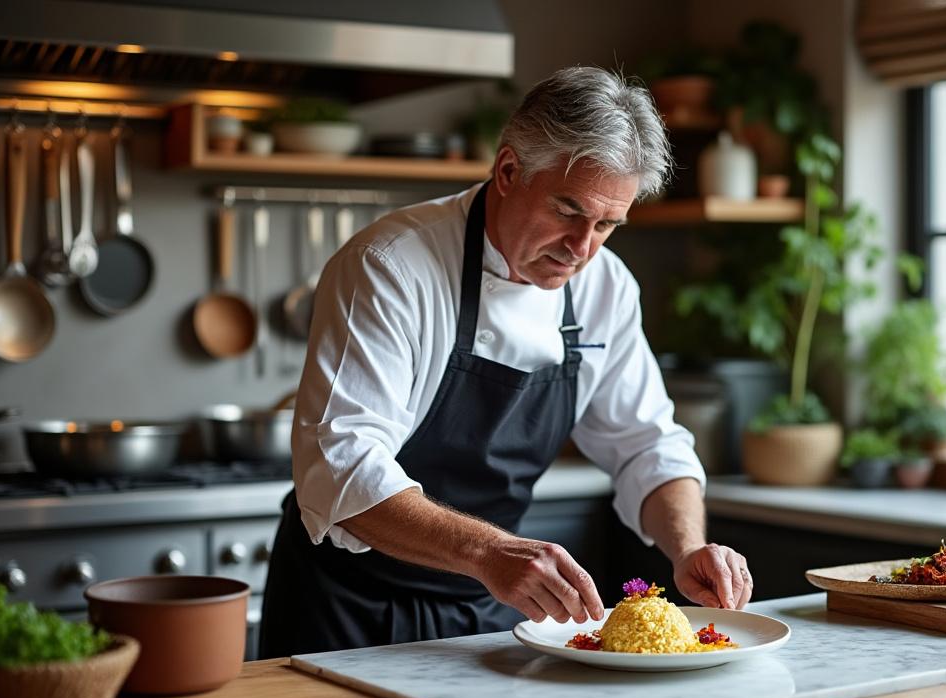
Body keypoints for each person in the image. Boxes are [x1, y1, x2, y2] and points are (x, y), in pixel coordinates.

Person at [259, 66, 754, 658]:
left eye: (606, 225)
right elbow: (341, 464)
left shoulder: (605, 289)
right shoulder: (390, 265)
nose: (582, 248)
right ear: (509, 170)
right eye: (568, 211)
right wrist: (489, 553)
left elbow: (647, 443)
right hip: (347, 608)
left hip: (483, 609)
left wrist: (687, 547)